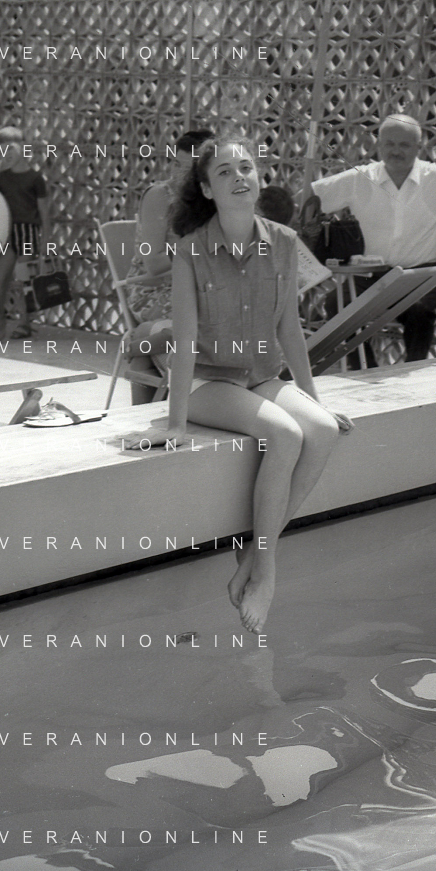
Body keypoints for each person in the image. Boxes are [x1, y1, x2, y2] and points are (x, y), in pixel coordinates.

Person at [121, 136, 353, 633]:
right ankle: (265, 572)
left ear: (259, 177)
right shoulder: (190, 250)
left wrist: (314, 399)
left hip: (260, 376)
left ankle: (249, 556)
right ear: (207, 190)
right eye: (224, 172)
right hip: (206, 382)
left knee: (323, 430)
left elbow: (289, 328)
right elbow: (184, 340)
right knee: (285, 435)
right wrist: (176, 424)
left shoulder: (284, 242)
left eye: (246, 167)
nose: (238, 177)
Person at [305, 113, 436, 362]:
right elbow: (308, 198)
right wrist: (309, 227)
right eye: (390, 144)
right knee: (336, 304)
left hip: (421, 275)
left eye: (404, 145)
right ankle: (366, 369)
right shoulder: (360, 177)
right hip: (370, 276)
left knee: (420, 312)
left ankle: (413, 374)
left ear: (418, 147)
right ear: (379, 145)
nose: (396, 151)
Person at [123, 127, 215, 403]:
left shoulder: (207, 198)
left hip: (195, 286)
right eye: (176, 164)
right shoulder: (159, 196)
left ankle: (146, 352)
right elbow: (153, 263)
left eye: (187, 169)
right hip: (154, 289)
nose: (178, 175)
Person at [0, 126, 50, 342]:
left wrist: (46, 241)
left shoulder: (35, 179)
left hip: (28, 233)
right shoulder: (1, 178)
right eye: (1, 151)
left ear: (23, 148)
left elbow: (44, 212)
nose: (6, 155)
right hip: (7, 233)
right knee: (1, 279)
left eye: (10, 149)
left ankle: (25, 323)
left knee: (25, 280)